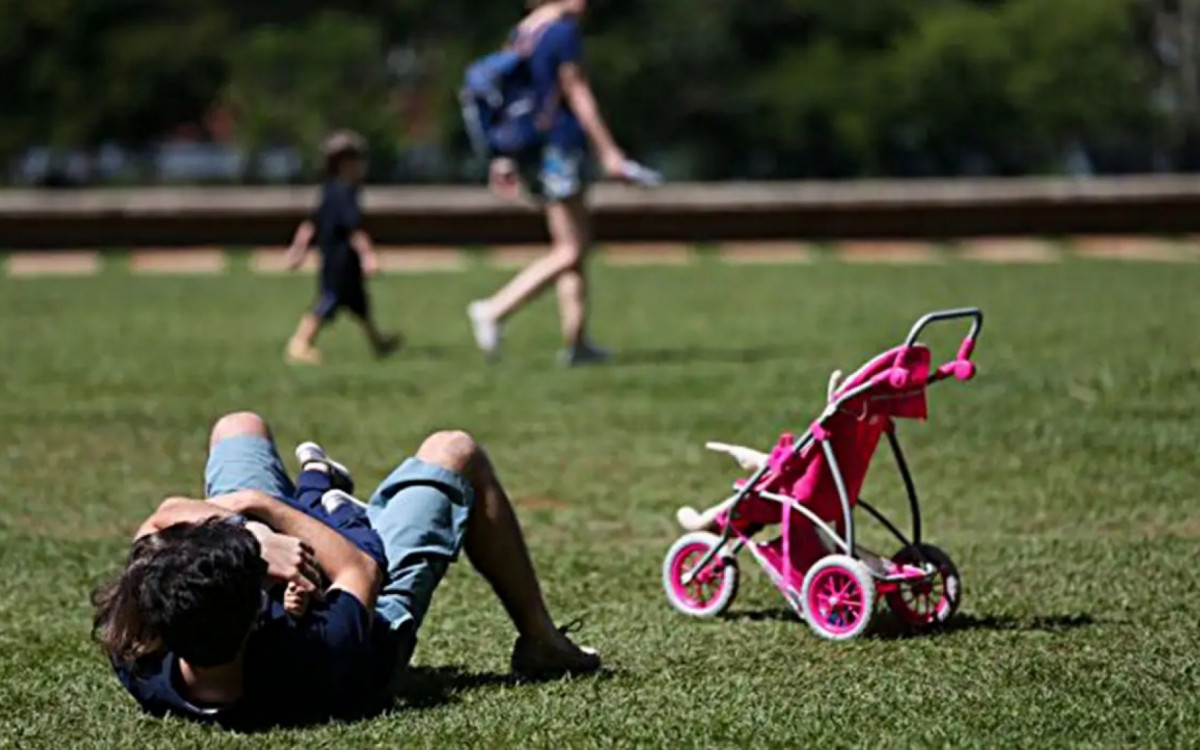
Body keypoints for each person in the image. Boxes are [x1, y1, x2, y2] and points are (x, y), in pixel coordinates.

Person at [91, 412, 599, 730]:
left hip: (261, 578)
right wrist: (261, 509)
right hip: (370, 606)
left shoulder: (139, 649)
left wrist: (255, 538)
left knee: (238, 426)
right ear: (257, 613)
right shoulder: (318, 650)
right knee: (455, 450)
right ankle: (542, 642)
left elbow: (162, 517)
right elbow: (359, 567)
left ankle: (314, 493)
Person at [467, 0, 633, 366]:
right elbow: (577, 91)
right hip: (561, 145)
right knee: (571, 250)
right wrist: (609, 151)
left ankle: (577, 343)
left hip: (534, 149)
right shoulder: (561, 32)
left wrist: (502, 157)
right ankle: (494, 310)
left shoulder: (524, 31)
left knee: (572, 246)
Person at [284, 131, 401, 365]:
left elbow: (310, 224)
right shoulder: (344, 194)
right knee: (329, 301)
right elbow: (354, 230)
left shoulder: (330, 190)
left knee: (360, 304)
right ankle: (299, 343)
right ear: (345, 164)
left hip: (339, 260)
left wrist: (298, 250)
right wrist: (368, 256)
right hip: (340, 260)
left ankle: (378, 343)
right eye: (358, 160)